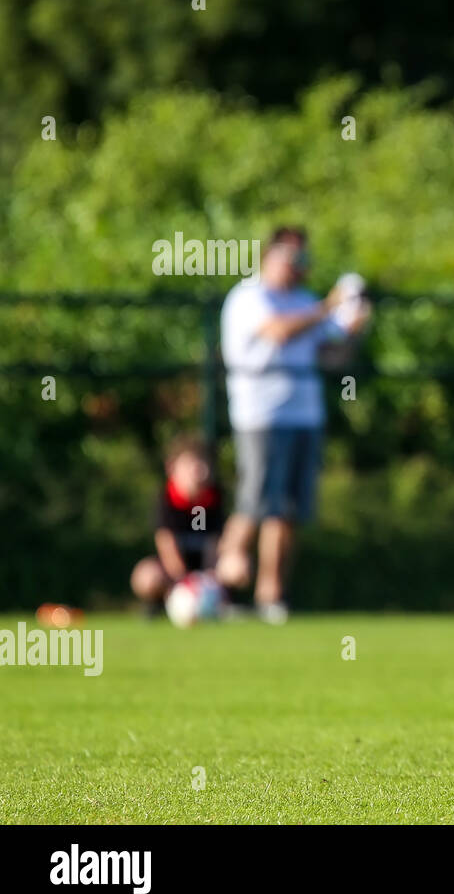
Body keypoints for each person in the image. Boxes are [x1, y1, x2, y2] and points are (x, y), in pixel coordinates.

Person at [215, 227, 370, 623]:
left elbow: (333, 354)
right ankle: (223, 588)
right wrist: (328, 306)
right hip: (261, 416)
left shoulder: (304, 300)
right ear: (270, 256)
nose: (300, 267)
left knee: (287, 511)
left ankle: (272, 597)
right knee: (254, 504)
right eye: (293, 258)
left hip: (305, 415)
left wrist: (352, 327)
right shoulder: (248, 297)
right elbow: (279, 332)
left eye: (305, 259)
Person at [130, 434, 227, 614]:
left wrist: (206, 580)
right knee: (146, 576)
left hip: (204, 571)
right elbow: (167, 545)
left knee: (236, 567)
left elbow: (214, 543)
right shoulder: (166, 498)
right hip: (174, 573)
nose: (199, 471)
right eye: (192, 464)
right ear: (173, 467)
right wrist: (184, 582)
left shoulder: (213, 497)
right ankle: (159, 604)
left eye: (202, 463)